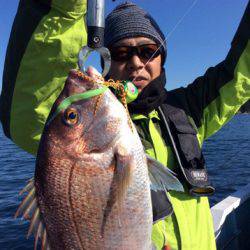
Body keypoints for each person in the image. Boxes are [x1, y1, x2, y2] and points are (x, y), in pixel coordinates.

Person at [0, 1, 249, 249]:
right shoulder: (67, 130)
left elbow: (239, 75)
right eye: (121, 53)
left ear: (162, 57)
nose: (136, 63)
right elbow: (32, 98)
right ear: (105, 59)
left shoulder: (188, 109)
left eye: (147, 50)